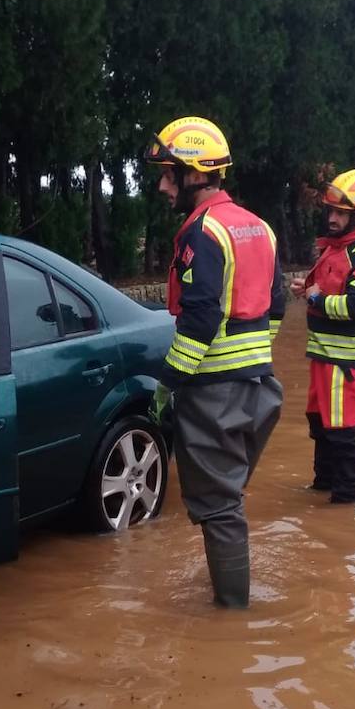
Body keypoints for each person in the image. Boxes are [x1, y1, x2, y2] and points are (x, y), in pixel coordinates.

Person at [145, 115, 285, 609]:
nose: (163, 186)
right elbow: (277, 305)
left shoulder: (203, 231)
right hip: (260, 389)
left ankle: (231, 623)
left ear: (197, 174)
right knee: (225, 500)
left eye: (169, 174)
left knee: (220, 509)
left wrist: (170, 383)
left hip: (214, 393)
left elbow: (200, 319)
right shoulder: (259, 228)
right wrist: (252, 359)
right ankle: (232, 601)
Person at [289, 168, 355, 504]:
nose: (331, 218)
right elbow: (331, 288)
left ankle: (345, 506)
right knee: (321, 426)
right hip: (324, 357)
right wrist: (310, 290)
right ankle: (322, 489)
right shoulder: (334, 249)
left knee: (346, 434)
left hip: (346, 363)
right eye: (330, 211)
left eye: (340, 213)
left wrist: (316, 298)